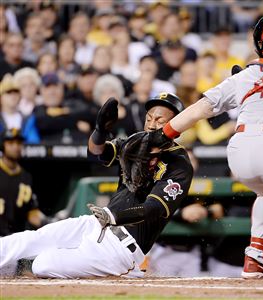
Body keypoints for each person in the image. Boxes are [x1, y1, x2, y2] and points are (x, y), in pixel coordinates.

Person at [147, 12, 263, 279]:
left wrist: (162, 136)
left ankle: (257, 256)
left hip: (239, 151)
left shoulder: (249, 72)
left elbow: (199, 109)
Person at [0, 93, 193, 278]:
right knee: (34, 238)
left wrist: (114, 216)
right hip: (97, 224)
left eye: (159, 120)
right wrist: (100, 131)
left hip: (122, 247)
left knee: (43, 264)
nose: (151, 125)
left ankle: (125, 273)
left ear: (175, 124)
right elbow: (96, 153)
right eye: (149, 118)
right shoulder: (136, 142)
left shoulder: (179, 163)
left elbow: (155, 209)